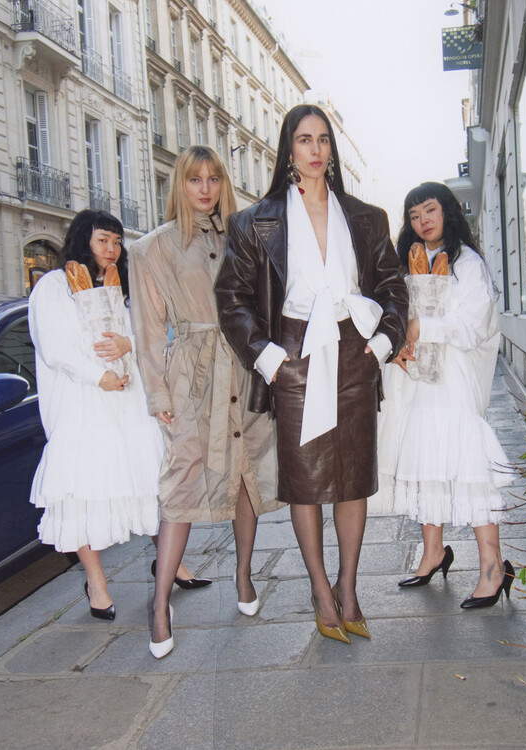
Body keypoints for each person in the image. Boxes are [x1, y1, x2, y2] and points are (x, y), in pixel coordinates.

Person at [215, 105, 408, 643]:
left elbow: (393, 288)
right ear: (289, 149)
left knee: (353, 475)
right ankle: (321, 592)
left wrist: (381, 345)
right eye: (305, 139)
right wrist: (269, 358)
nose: (316, 149)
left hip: (354, 348)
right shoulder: (255, 221)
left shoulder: (366, 217)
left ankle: (348, 587)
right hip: (294, 354)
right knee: (305, 481)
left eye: (323, 139)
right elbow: (231, 299)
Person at [129, 145, 282, 659]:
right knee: (181, 484)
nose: (205, 188)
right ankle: (159, 604)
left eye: (213, 178)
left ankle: (243, 575)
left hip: (244, 365)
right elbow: (148, 332)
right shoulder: (152, 249)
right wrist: (158, 393)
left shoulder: (244, 237)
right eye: (195, 179)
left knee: (246, 473)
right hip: (191, 377)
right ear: (181, 184)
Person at [372, 181, 514, 608]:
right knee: (425, 460)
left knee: (468, 465)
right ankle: (433, 552)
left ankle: (493, 566)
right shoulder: (407, 262)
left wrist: (422, 327)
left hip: (454, 379)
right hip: (417, 381)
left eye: (430, 210)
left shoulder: (467, 263)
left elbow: (474, 324)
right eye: (414, 215)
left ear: (448, 211)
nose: (423, 221)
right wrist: (397, 344)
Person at [28, 209, 164, 620]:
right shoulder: (54, 286)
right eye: (103, 239)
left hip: (127, 402)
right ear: (82, 239)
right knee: (83, 492)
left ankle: (171, 563)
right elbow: (55, 347)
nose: (112, 249)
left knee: (148, 481)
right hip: (82, 405)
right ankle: (97, 582)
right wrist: (98, 375)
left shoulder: (120, 285)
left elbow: (150, 330)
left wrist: (128, 344)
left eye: (117, 242)